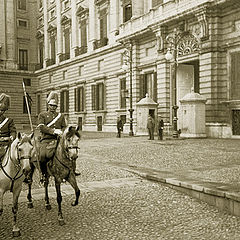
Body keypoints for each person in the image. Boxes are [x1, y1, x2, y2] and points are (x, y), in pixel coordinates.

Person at [37, 91, 68, 182]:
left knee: (70, 153)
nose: (53, 107)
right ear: (48, 105)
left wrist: (62, 132)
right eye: (51, 105)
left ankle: (70, 171)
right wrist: (53, 131)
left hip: (58, 139)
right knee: (42, 156)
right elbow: (42, 127)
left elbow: (64, 126)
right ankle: (43, 174)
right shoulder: (42, 115)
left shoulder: (60, 116)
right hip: (46, 139)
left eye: (54, 106)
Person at [0, 93, 16, 161]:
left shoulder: (9, 120)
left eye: (3, 111)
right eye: (0, 110)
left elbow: (13, 131)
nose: (1, 112)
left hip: (5, 144)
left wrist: (11, 137)